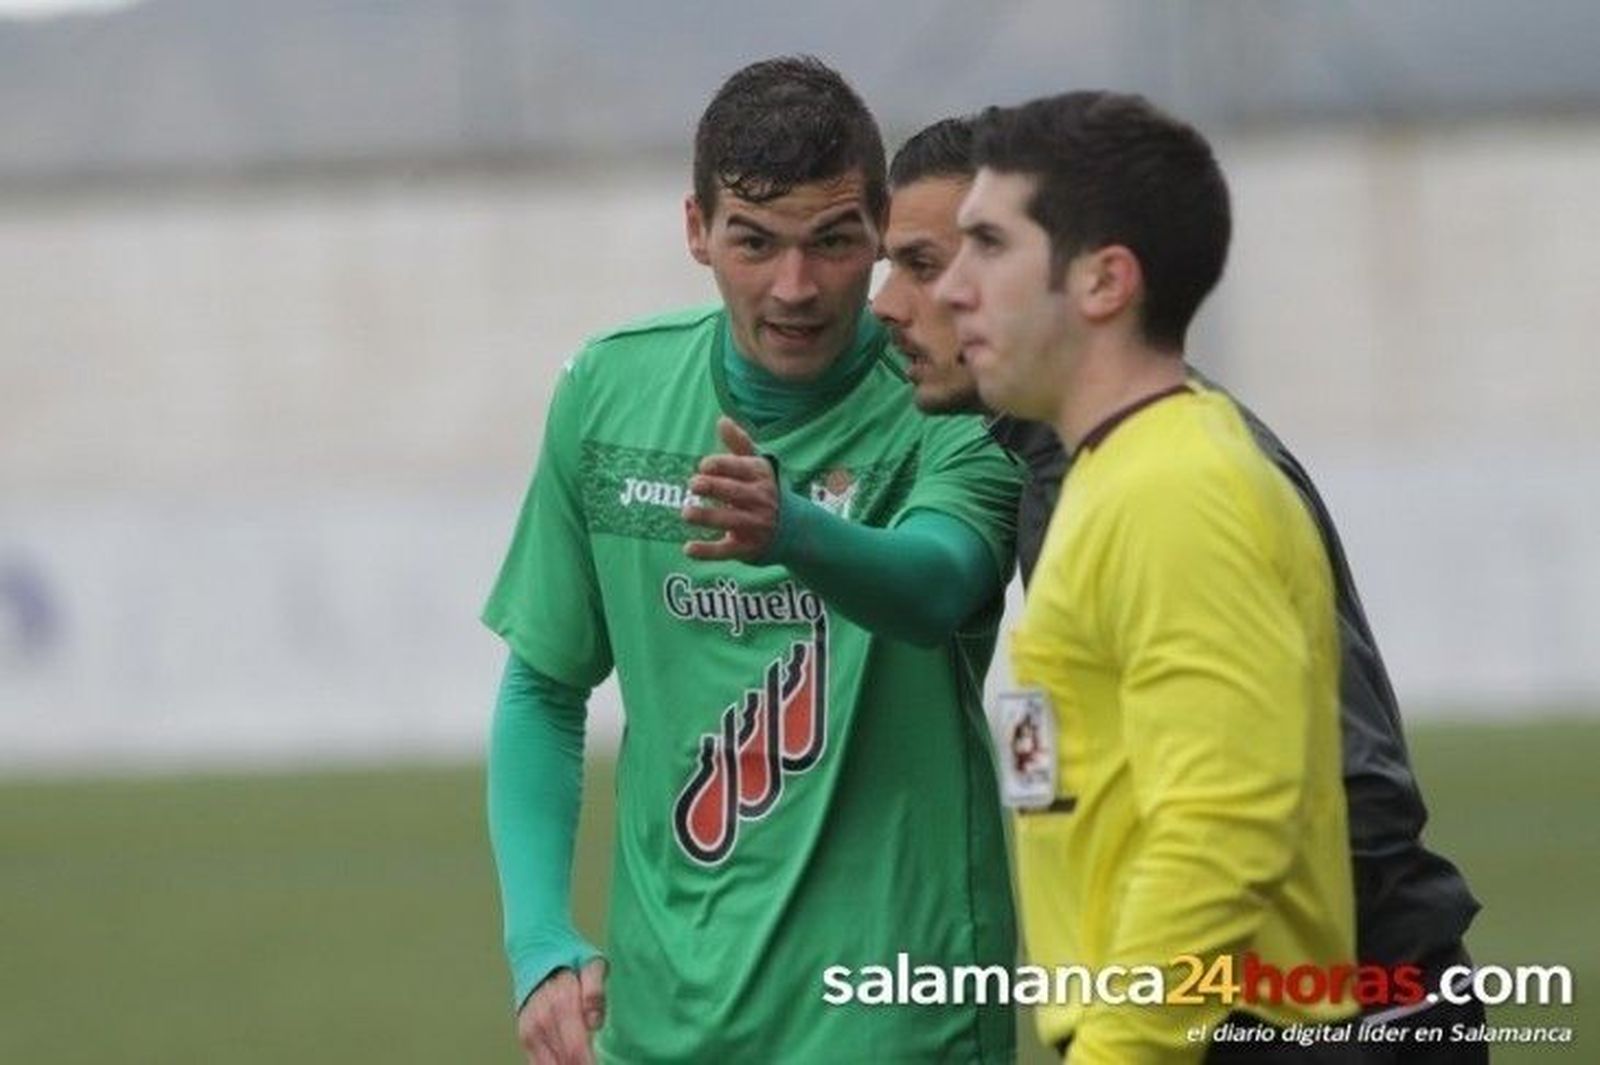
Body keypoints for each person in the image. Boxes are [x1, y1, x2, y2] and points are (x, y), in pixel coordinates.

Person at [878, 113, 1483, 1058]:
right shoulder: (1092, 471)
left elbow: (1254, 812)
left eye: (964, 254)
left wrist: (1139, 1033)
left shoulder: (1175, 487)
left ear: (1102, 281)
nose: (916, 297)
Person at [482, 57, 1022, 1064]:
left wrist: (792, 535)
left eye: (831, 243)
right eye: (754, 242)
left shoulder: (946, 395)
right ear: (697, 231)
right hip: (663, 1024)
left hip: (896, 1014)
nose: (795, 286)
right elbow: (543, 689)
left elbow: (940, 586)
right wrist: (539, 943)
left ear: (877, 231)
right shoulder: (609, 393)